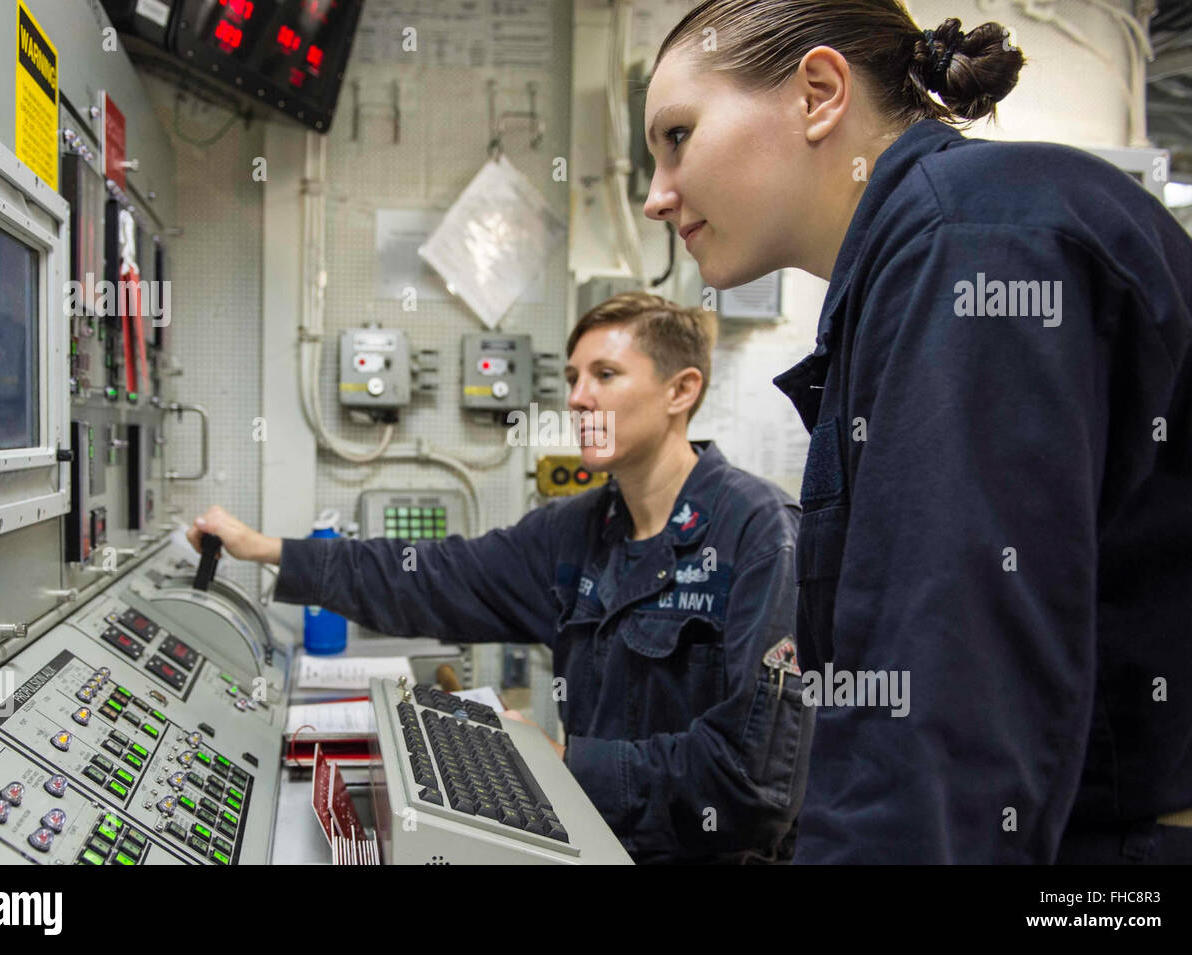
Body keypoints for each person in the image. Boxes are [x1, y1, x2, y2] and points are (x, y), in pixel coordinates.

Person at [641, 0, 1192, 863]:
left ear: (819, 93)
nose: (656, 196)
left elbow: (945, 721)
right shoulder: (934, 250)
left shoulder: (970, 248)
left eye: (677, 135)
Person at [188, 292, 812, 864]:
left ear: (681, 391)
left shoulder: (758, 534)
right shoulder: (577, 530)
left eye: (605, 375)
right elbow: (432, 577)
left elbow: (752, 785)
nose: (577, 398)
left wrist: (564, 762)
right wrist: (266, 549)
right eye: (571, 379)